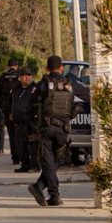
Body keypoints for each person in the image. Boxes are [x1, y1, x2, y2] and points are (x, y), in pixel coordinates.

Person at [28, 55, 76, 207]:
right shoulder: (69, 84)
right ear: (61, 68)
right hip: (63, 129)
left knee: (49, 163)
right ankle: (51, 194)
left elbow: (31, 105)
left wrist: (33, 125)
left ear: (47, 69)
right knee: (56, 161)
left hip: (47, 128)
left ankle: (43, 189)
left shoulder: (43, 85)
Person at [11, 67, 39, 173]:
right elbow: (10, 102)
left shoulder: (35, 88)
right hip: (19, 122)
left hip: (31, 122)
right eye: (24, 75)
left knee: (33, 145)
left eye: (29, 75)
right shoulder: (16, 89)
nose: (27, 78)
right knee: (20, 145)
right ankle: (25, 164)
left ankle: (35, 165)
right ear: (20, 77)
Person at [0, 58, 21, 163]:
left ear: (8, 66)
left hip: (7, 110)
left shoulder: (3, 77)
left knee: (11, 134)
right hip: (19, 110)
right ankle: (22, 156)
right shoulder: (20, 76)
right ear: (17, 66)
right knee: (21, 134)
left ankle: (15, 157)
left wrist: (3, 108)